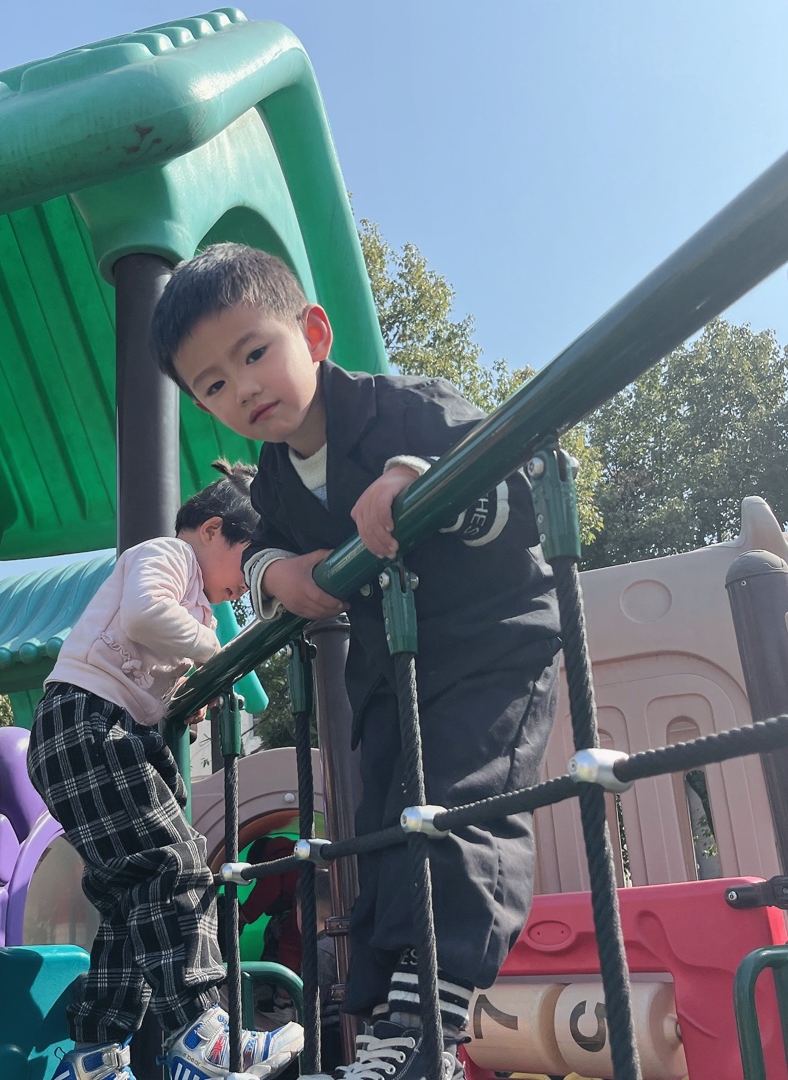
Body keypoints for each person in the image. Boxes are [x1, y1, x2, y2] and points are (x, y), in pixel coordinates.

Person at [151, 244, 562, 1080]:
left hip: (490, 643)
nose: (244, 389)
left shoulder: (405, 409)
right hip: (390, 667)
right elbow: (262, 548)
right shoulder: (274, 480)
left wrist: (418, 480)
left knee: (458, 801)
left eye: (254, 353)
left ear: (313, 333)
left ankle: (427, 1029)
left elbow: (512, 480)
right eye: (214, 385)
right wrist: (276, 573)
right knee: (378, 830)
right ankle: (388, 1032)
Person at [28, 461, 304, 1080]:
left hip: (85, 732)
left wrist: (185, 689)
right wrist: (217, 655)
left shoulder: (199, 602)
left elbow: (152, 656)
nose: (248, 583)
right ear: (212, 530)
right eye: (248, 561)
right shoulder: (169, 556)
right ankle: (202, 1033)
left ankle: (95, 1056)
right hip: (89, 721)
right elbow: (144, 616)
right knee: (172, 865)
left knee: (131, 897)